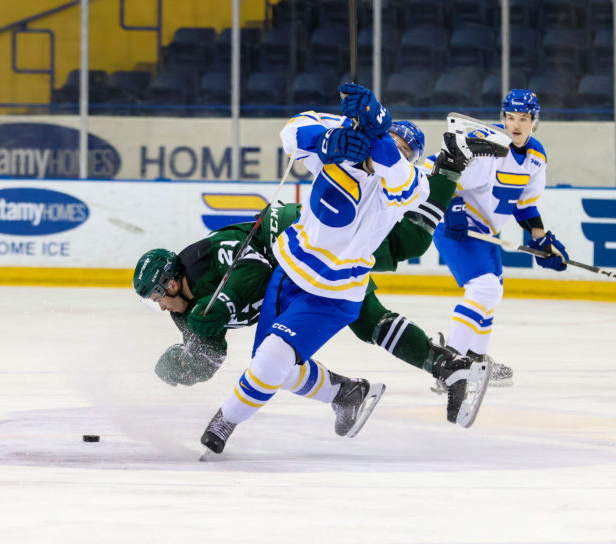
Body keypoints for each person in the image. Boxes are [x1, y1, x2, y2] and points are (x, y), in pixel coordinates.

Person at [133, 118, 512, 438]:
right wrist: (188, 364)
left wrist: (225, 303)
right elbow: (210, 347)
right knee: (298, 351)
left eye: (403, 151)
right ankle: (385, 382)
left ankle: (401, 377)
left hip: (307, 243)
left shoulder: (202, 259)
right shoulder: (183, 305)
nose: (161, 304)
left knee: (397, 263)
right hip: (307, 268)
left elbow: (252, 270)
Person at [433, 90, 570, 366]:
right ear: (503, 119)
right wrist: (452, 207)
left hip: (485, 231)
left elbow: (524, 207)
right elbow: (438, 171)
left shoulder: (536, 158)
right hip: (456, 225)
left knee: (494, 288)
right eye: (510, 117)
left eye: (523, 118)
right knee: (484, 288)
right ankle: (447, 363)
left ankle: (476, 358)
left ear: (534, 121)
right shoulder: (487, 144)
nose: (516, 125)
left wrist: (542, 241)